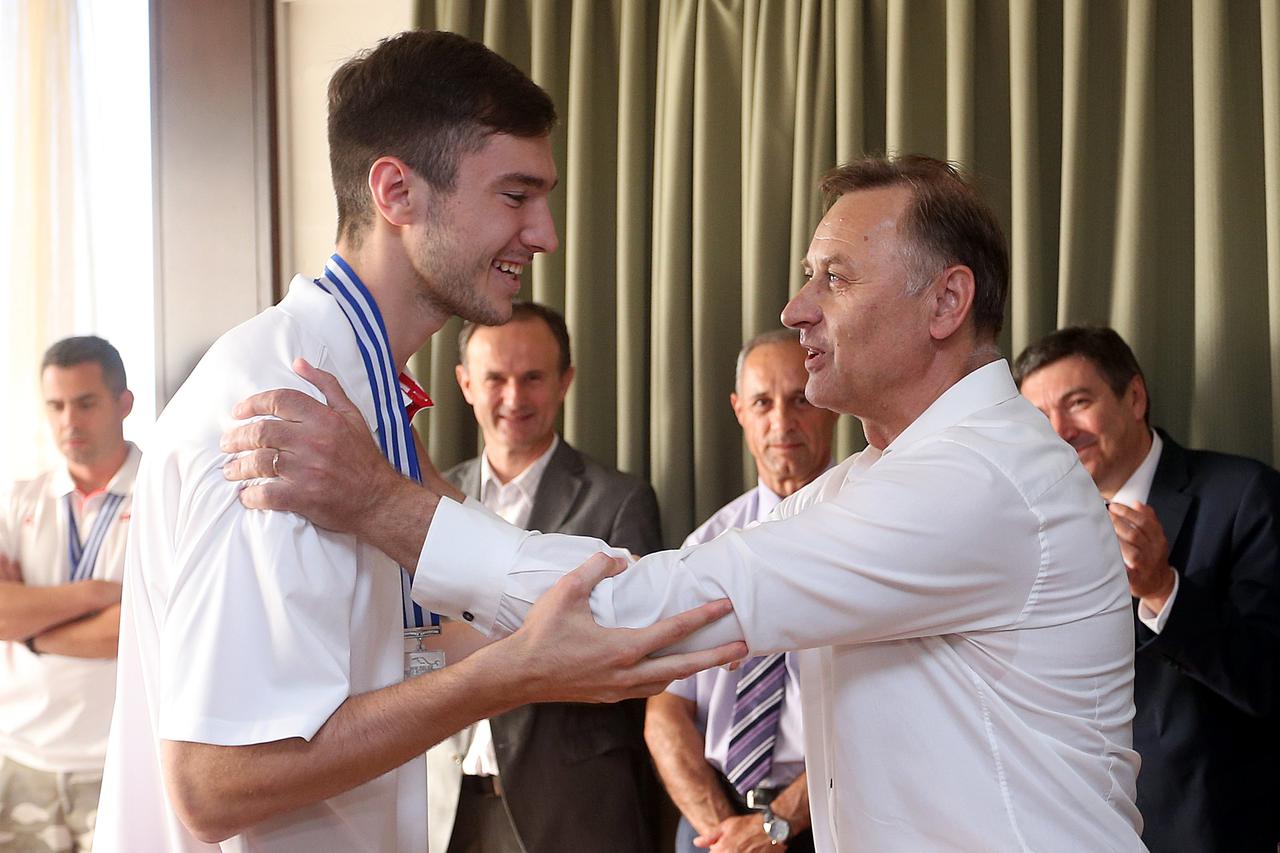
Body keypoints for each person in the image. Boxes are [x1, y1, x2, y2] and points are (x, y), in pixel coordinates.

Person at [222, 153, 1146, 851]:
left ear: (947, 301)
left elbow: (652, 614)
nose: (795, 309)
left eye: (833, 277)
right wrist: (416, 490)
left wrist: (379, 502)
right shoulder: (881, 476)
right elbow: (652, 584)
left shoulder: (977, 481)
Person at [92, 31, 743, 853]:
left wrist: (562, 638)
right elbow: (216, 781)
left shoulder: (373, 402)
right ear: (397, 191)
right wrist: (509, 675)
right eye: (515, 195)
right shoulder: (288, 407)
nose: (544, 232)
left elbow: (398, 642)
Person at [1015, 325, 1280, 853]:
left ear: (1134, 397)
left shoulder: (1244, 494)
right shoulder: (1028, 526)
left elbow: (1270, 678)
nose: (1062, 431)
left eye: (1079, 402)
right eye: (1042, 419)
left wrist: (1163, 589)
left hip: (1205, 830)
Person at [427, 301, 664, 853]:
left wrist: (454, 641)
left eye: (532, 377)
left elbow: (628, 649)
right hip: (445, 806)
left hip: (571, 809)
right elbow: (410, 643)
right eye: (495, 379)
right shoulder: (430, 502)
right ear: (464, 383)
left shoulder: (620, 501)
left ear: (565, 382)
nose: (514, 398)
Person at [646, 329, 835, 852]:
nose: (782, 422)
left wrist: (776, 826)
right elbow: (666, 711)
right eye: (762, 402)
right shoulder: (705, 547)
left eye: (800, 399)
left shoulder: (870, 536)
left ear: (832, 401)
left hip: (833, 815)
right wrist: (724, 832)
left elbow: (889, 716)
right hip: (715, 823)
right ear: (738, 410)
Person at [0, 336, 137, 853]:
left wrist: (30, 627)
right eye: (55, 406)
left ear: (124, 404)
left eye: (85, 403)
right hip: (20, 756)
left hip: (117, 760)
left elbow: (135, 628)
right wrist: (95, 593)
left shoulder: (161, 495)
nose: (68, 423)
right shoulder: (19, 499)